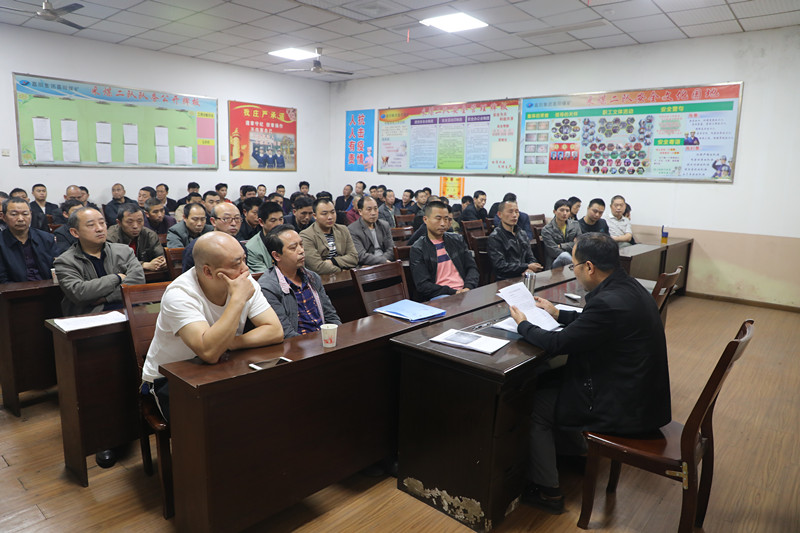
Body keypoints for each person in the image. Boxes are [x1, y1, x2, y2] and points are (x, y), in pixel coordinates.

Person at [509, 233, 670, 513]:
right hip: (638, 391)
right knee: (551, 379)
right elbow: (594, 323)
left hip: (624, 404)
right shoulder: (627, 286)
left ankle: (547, 491)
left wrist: (523, 325)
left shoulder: (607, 302)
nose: (575, 271)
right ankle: (578, 453)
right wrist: (558, 314)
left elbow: (558, 344)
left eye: (574, 266)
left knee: (535, 405)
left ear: (589, 267)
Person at [141, 232, 283, 421]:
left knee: (269, 405)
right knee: (227, 421)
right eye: (236, 264)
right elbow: (209, 352)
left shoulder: (243, 281)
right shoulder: (180, 294)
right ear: (208, 272)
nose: (245, 269)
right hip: (170, 378)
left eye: (244, 259)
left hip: (220, 368)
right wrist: (238, 300)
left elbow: (274, 330)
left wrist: (230, 343)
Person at [53, 207, 145, 316]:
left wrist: (106, 298)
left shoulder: (124, 251)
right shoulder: (65, 261)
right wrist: (116, 278)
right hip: (92, 315)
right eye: (91, 225)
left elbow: (138, 282)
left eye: (102, 223)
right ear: (75, 232)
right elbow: (80, 292)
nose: (100, 228)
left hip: (131, 309)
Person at [259, 225, 342, 338]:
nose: (301, 251)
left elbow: (331, 317)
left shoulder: (312, 277)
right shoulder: (268, 288)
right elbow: (286, 333)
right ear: (276, 255)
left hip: (324, 340)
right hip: (297, 345)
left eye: (301, 245)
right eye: (293, 248)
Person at [409, 201, 478, 301]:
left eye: (446, 219)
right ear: (425, 219)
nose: (443, 223)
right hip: (441, 295)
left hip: (465, 291)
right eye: (438, 219)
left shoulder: (458, 240)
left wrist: (468, 287)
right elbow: (423, 285)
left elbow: (472, 268)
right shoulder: (418, 248)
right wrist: (454, 292)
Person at [0, 197, 57, 283]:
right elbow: (2, 279)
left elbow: (57, 267)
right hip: (13, 290)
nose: (20, 219)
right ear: (3, 217)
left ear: (31, 215)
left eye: (25, 214)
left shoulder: (47, 239)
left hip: (47, 287)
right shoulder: (2, 242)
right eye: (14, 214)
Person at [300, 197, 358, 275]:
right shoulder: (306, 235)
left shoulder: (343, 230)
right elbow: (317, 266)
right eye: (324, 214)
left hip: (348, 277)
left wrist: (333, 261)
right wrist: (342, 271)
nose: (330, 217)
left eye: (332, 212)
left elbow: (354, 258)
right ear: (315, 216)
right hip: (324, 279)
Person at [487, 200, 542, 280]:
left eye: (517, 212)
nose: (514, 215)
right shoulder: (495, 237)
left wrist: (529, 268)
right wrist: (526, 267)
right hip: (506, 280)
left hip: (525, 276)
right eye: (510, 212)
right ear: (500, 214)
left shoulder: (522, 233)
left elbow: (531, 257)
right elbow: (500, 266)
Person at [183, 203, 246, 271]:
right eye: (226, 218)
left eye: (237, 218)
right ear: (213, 221)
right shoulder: (197, 247)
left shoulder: (240, 248)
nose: (233, 223)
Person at [107, 204, 166, 272]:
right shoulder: (111, 237)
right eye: (130, 222)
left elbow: (160, 255)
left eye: (139, 221)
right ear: (119, 222)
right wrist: (143, 265)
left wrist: (162, 261)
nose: (135, 226)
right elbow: (115, 264)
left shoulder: (149, 234)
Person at [348, 196, 394, 265]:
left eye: (375, 209)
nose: (373, 213)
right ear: (360, 211)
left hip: (386, 262)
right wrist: (382, 261)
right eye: (369, 209)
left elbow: (391, 249)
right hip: (368, 266)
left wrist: (383, 260)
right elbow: (361, 255)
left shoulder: (384, 225)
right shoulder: (352, 229)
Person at [541, 199, 583, 269]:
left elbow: (580, 244)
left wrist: (561, 246)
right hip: (555, 262)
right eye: (562, 210)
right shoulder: (547, 229)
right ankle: (579, 269)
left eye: (567, 211)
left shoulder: (575, 225)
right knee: (564, 255)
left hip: (573, 259)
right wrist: (572, 244)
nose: (565, 213)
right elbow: (553, 251)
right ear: (554, 211)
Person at [245, 201, 285, 273]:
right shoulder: (252, 248)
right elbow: (265, 275)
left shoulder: (289, 239)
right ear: (261, 222)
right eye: (273, 220)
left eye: (281, 219)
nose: (279, 224)